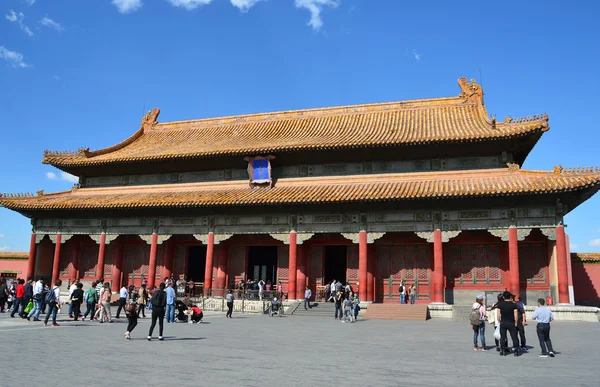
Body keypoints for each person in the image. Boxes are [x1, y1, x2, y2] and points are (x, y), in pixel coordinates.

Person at [497, 291, 520, 356]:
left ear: (503, 297)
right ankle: (516, 350)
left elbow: (498, 314)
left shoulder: (500, 304)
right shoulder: (513, 305)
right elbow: (516, 315)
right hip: (511, 322)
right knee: (514, 337)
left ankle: (503, 350)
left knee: (503, 337)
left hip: (503, 322)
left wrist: (499, 321)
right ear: (510, 297)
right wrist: (516, 322)